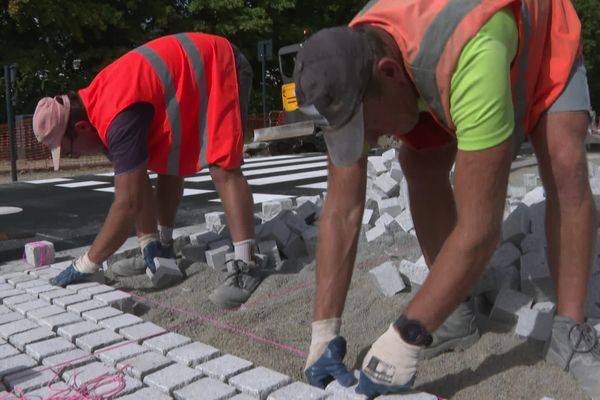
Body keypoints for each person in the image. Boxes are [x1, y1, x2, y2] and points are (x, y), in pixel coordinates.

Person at [293, 0, 599, 398]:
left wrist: (407, 335)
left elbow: (480, 229)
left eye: (367, 125)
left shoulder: (471, 54)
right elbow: (341, 211)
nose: (368, 141)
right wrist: (323, 330)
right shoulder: (349, 58)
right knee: (419, 164)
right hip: (433, 65)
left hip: (537, 36)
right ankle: (456, 312)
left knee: (564, 163)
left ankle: (570, 331)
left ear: (387, 73)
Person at [33, 32, 262, 309]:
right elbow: (137, 182)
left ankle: (247, 263)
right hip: (186, 83)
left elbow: (127, 204)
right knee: (169, 162)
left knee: (223, 166)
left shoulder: (116, 116)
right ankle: (163, 247)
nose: (75, 155)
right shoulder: (97, 111)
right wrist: (148, 240)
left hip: (220, 67)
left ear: (80, 128)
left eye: (70, 150)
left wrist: (86, 264)